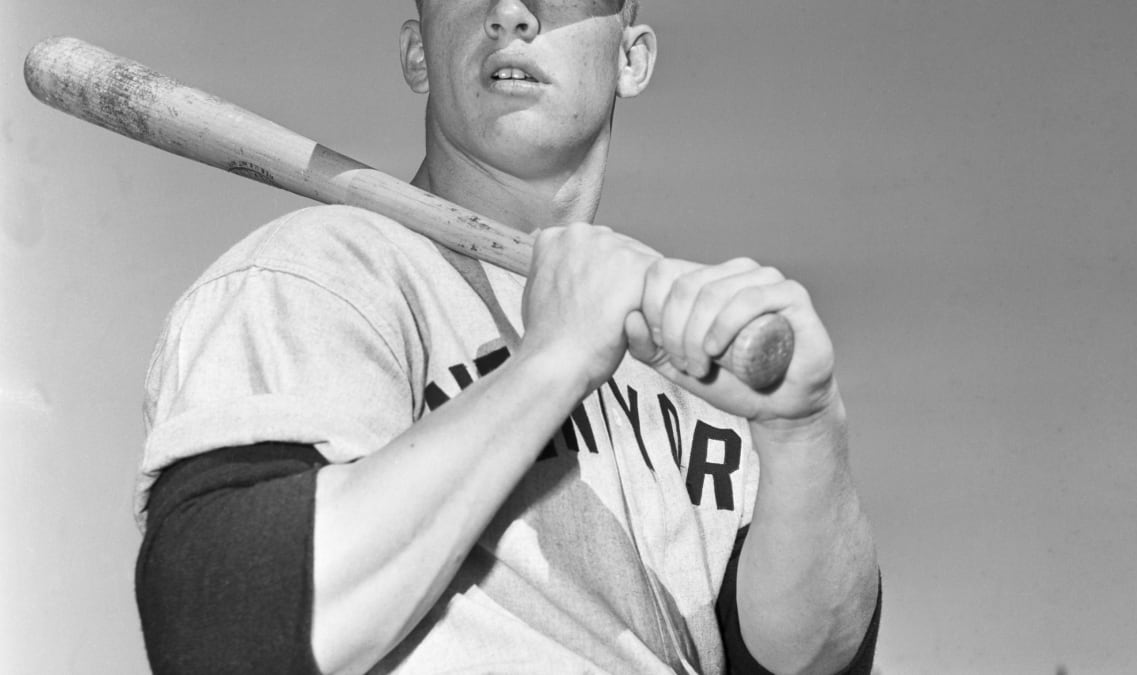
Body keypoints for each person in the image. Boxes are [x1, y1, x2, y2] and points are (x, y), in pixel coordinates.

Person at [134, 1, 881, 673]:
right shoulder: (322, 272)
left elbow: (809, 665)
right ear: (418, 53)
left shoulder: (690, 357)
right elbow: (223, 629)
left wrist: (806, 430)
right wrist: (551, 363)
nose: (511, 12)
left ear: (632, 57)